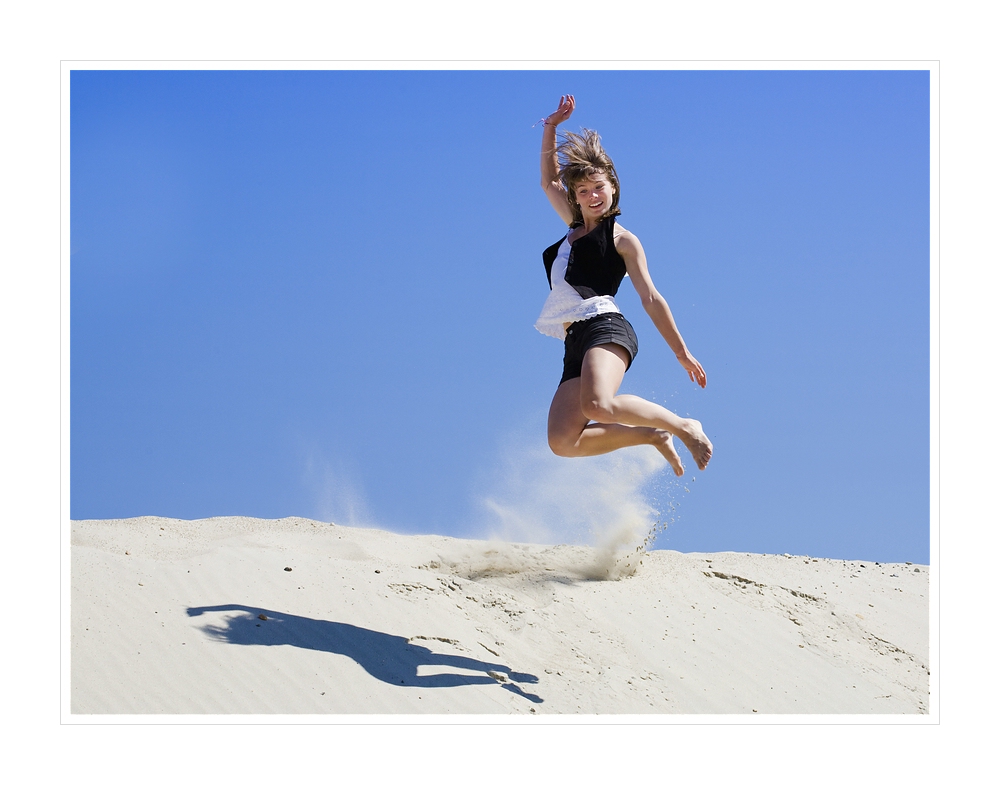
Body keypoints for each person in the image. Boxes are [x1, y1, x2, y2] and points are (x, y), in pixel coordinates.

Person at [536, 95, 713, 476]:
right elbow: (550, 181)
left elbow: (650, 297)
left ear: (612, 187)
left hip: (605, 327)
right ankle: (652, 435)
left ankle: (683, 426)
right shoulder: (573, 227)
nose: (592, 196)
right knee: (563, 440)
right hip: (575, 339)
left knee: (597, 405)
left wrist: (681, 353)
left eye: (598, 187)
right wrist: (550, 126)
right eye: (583, 191)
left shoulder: (621, 238)